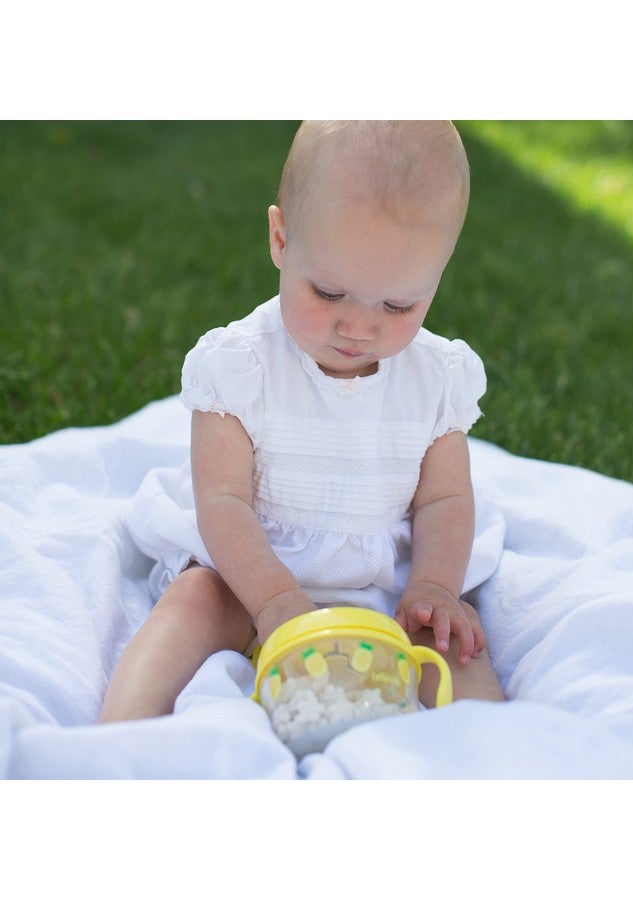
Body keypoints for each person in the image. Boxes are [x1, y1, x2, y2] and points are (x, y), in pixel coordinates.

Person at [99, 120, 505, 723]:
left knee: (451, 643)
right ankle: (122, 730)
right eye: (329, 292)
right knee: (193, 599)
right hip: (248, 573)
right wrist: (275, 600)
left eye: (399, 305)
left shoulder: (435, 379)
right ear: (282, 240)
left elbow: (445, 498)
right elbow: (223, 502)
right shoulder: (242, 367)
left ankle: (501, 753)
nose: (359, 327)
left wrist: (436, 588)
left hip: (381, 589)